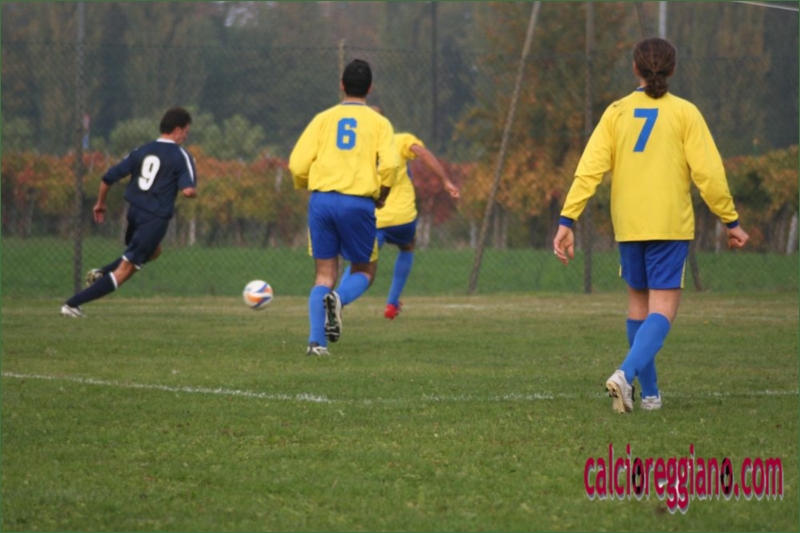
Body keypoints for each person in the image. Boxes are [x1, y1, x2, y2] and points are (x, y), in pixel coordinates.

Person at [552, 38, 749, 413]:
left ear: (634, 68)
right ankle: (625, 374)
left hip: (629, 224)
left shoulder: (616, 112)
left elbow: (589, 170)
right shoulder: (685, 113)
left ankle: (651, 396)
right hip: (669, 224)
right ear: (672, 69)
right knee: (663, 311)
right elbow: (708, 174)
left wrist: (567, 219)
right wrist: (730, 220)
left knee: (638, 308)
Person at [289, 59, 399, 356]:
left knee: (324, 274)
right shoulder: (379, 122)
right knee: (365, 268)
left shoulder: (323, 119)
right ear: (370, 88)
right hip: (357, 202)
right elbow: (390, 166)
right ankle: (339, 299)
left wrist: (308, 184)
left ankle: (316, 344)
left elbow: (297, 164)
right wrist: (383, 194)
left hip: (322, 201)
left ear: (342, 85)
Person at [60, 107, 197, 317]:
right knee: (125, 271)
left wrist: (100, 203)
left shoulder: (142, 150)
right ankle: (72, 304)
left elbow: (108, 178)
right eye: (186, 132)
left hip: (134, 214)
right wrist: (191, 189)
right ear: (177, 130)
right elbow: (188, 191)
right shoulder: (181, 156)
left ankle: (102, 272)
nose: (186, 136)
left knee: (153, 251)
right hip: (154, 219)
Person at [338, 108, 460, 319]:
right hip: (402, 218)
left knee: (361, 265)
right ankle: (392, 304)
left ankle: (337, 299)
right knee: (408, 245)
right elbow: (423, 153)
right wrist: (445, 181)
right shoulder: (400, 140)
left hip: (371, 219)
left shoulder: (355, 149)